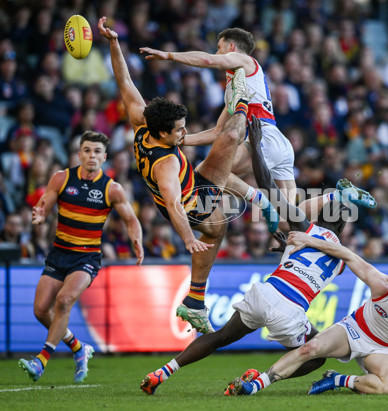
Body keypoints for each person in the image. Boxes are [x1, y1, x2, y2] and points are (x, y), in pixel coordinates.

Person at [138, 116, 373, 396]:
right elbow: (316, 255)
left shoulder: (303, 229)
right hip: (290, 310)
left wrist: (258, 146)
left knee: (219, 337)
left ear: (320, 216)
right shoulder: (344, 260)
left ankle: (162, 372)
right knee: (316, 355)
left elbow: (267, 184)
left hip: (264, 293)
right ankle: (257, 381)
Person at [99, 17, 276, 334]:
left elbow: (124, 82)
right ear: (164, 132)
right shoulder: (165, 164)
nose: (184, 133)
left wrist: (114, 44)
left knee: (218, 225)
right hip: (193, 203)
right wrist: (188, 239)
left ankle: (195, 302)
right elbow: (174, 206)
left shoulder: (143, 120)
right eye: (179, 130)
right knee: (233, 134)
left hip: (191, 182)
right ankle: (242, 102)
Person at [230, 231, 388, 396]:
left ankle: (337, 380)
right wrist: (310, 240)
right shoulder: (384, 285)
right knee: (310, 348)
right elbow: (348, 256)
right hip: (353, 330)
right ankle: (255, 385)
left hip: (380, 348)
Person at [18, 131, 144, 383]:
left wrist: (136, 240)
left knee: (64, 300)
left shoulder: (112, 189)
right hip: (59, 253)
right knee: (41, 310)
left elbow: (131, 219)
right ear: (79, 154)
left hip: (86, 258)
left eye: (97, 151)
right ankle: (79, 347)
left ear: (104, 157)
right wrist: (40, 217)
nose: (91, 155)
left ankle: (41, 361)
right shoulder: (62, 178)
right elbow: (44, 205)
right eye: (87, 150)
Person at [140, 27, 298, 208]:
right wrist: (178, 141)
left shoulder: (245, 60)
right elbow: (217, 132)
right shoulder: (236, 88)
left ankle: (259, 201)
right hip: (278, 142)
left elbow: (207, 60)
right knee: (289, 217)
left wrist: (169, 56)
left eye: (219, 48)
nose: (216, 53)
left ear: (231, 47)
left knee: (210, 172)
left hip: (264, 138)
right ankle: (331, 202)